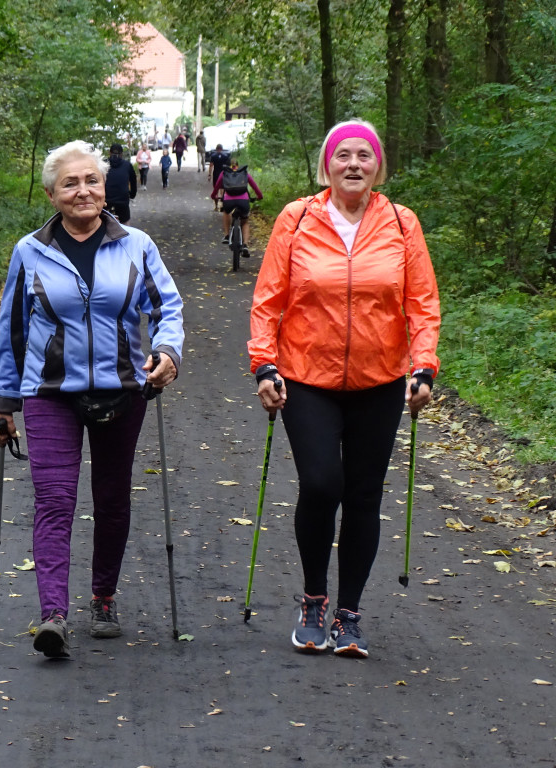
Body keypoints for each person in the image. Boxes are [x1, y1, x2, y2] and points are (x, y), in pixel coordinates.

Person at [248, 119, 440, 659]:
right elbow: (268, 300)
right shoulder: (297, 217)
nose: (353, 163)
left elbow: (422, 303)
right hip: (307, 375)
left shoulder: (402, 224)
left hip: (379, 380)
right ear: (326, 166)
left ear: (378, 166)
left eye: (364, 155)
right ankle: (313, 599)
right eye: (343, 155)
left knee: (362, 495)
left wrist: (422, 367)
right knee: (322, 483)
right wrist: (265, 365)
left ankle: (349, 615)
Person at [0, 140, 184, 658]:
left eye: (91, 180)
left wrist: (167, 352)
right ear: (52, 194)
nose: (83, 191)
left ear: (106, 187)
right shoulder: (30, 251)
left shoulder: (137, 245)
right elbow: (12, 329)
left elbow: (169, 308)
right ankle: (53, 614)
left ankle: (103, 597)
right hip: (50, 392)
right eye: (70, 183)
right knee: (54, 501)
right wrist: (2, 402)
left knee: (113, 498)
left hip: (123, 387)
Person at [213, 159, 263, 258]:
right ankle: (245, 244)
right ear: (237, 165)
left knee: (226, 212)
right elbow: (255, 187)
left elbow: (216, 187)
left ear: (229, 166)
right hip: (243, 201)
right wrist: (259, 196)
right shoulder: (244, 174)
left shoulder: (224, 173)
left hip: (228, 201)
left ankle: (227, 235)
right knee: (245, 221)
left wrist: (213, 196)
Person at [103, 143, 137, 223]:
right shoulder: (127, 165)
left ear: (109, 153)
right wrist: (132, 195)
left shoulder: (103, 165)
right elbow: (133, 181)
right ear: (121, 154)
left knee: (103, 225)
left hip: (106, 201)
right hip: (122, 201)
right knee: (125, 226)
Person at [207, 143, 232, 209]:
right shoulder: (226, 156)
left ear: (216, 149)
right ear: (222, 149)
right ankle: (223, 204)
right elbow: (229, 167)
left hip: (216, 174)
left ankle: (216, 206)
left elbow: (211, 165)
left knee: (216, 189)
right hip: (223, 174)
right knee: (223, 189)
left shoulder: (213, 156)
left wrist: (209, 175)